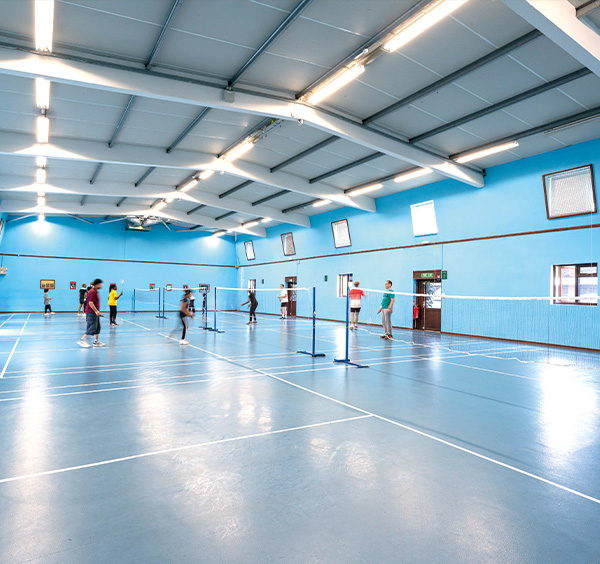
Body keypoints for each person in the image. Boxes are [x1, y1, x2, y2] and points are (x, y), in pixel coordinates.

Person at [78, 278, 104, 348]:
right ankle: (82, 339)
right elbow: (90, 303)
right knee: (92, 327)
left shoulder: (95, 291)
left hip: (95, 312)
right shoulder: (92, 291)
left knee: (98, 327)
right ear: (97, 284)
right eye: (100, 284)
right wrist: (96, 311)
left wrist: (97, 312)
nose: (101, 285)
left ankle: (96, 341)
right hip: (91, 312)